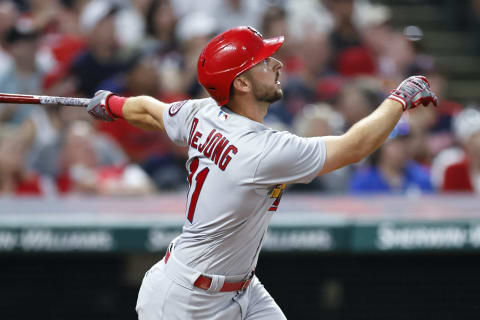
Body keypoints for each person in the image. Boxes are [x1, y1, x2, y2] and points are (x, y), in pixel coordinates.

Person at [85, 26, 437, 319]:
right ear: (241, 83)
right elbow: (356, 146)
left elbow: (148, 110)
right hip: (186, 303)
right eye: (264, 62)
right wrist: (399, 98)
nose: (278, 64)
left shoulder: (202, 112)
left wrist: (112, 105)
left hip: (241, 289)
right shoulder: (262, 150)